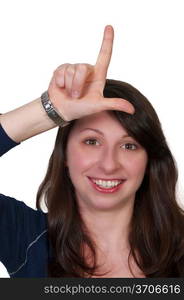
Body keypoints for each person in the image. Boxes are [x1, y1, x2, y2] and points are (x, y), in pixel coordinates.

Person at [0, 25, 184, 278]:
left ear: (149, 160)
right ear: (64, 155)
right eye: (91, 142)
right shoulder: (26, 237)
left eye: (129, 145)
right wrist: (51, 110)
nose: (109, 164)